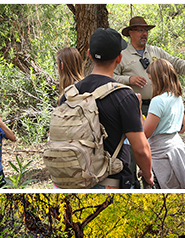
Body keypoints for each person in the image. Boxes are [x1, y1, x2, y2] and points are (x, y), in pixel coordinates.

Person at [58, 28, 154, 188]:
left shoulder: (69, 94)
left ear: (89, 55)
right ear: (119, 58)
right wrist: (148, 174)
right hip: (111, 183)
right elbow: (141, 149)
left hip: (74, 181)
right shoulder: (124, 96)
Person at [114, 16, 185, 115]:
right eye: (140, 30)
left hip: (160, 104)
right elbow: (111, 78)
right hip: (136, 106)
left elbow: (175, 63)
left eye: (146, 30)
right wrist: (129, 79)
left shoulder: (155, 51)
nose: (145, 33)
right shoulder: (122, 55)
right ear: (130, 33)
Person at [142, 58, 185, 189]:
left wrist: (137, 111)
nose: (151, 83)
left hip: (161, 154)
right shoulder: (177, 97)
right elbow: (182, 129)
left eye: (151, 79)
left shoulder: (158, 101)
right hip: (177, 147)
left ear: (158, 79)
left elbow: (145, 133)